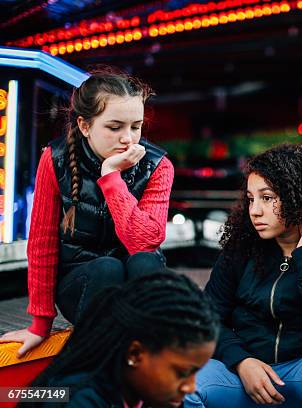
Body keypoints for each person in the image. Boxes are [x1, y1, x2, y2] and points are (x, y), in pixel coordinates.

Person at [185, 144, 302, 408]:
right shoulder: (241, 249)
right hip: (244, 379)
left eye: (267, 198)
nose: (255, 210)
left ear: (300, 198)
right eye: (251, 199)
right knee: (183, 383)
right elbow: (206, 320)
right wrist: (242, 361)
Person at [0, 68, 174, 357]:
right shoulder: (55, 159)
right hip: (81, 284)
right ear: (84, 125)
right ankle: (98, 364)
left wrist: (111, 178)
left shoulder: (158, 165)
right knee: (108, 267)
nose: (128, 139)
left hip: (136, 289)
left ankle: (148, 355)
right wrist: (40, 325)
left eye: (136, 126)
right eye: (115, 127)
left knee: (145, 260)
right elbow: (42, 242)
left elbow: (145, 242)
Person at [19, 272, 219, 408]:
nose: (191, 386)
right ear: (135, 354)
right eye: (182, 373)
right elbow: (10, 393)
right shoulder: (78, 398)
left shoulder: (138, 391)